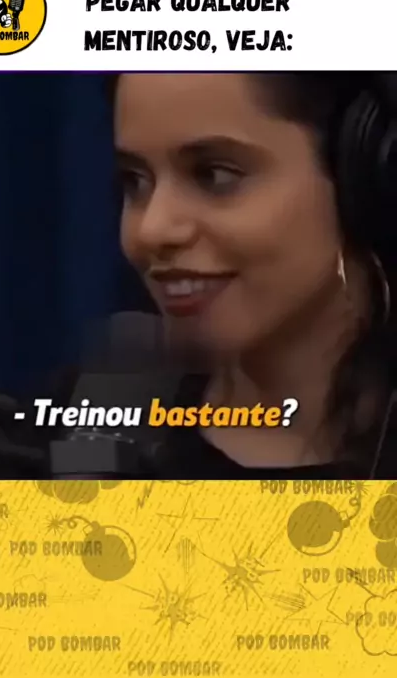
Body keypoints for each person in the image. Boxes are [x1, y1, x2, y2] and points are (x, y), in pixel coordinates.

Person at [106, 72, 397, 479]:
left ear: (364, 181)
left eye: (214, 176)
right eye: (135, 181)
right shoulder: (87, 434)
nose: (150, 230)